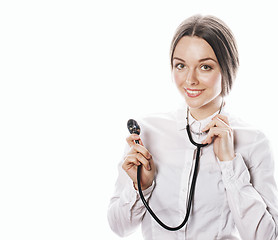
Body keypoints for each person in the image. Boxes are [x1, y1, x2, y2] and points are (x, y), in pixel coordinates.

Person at [107, 15, 278, 240]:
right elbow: (119, 228)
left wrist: (229, 163)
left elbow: (267, 236)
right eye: (181, 65)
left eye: (205, 67)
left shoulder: (253, 142)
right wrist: (142, 186)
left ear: (227, 69)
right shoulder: (147, 132)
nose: (190, 80)